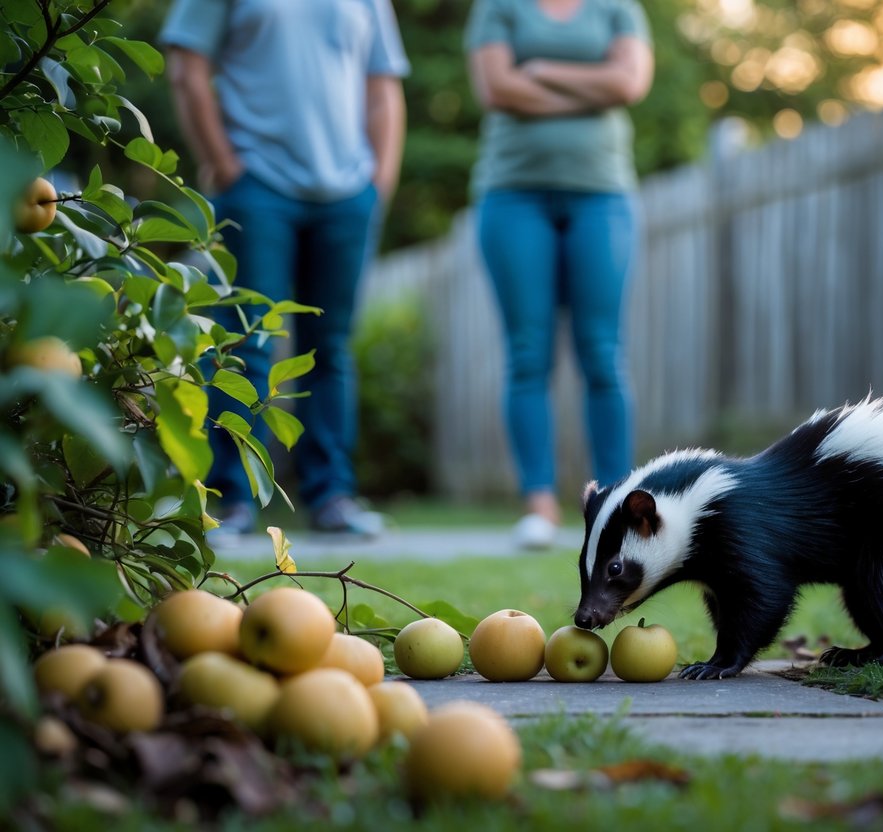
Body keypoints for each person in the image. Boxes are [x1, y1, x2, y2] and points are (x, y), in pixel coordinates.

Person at [160, 0, 408, 540]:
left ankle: (332, 496)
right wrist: (225, 165)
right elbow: (187, 66)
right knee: (244, 341)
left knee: (332, 349)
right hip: (256, 189)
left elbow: (383, 86)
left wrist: (375, 188)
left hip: (347, 196)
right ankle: (231, 500)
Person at [464, 0, 654, 549]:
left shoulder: (616, 8)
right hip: (512, 195)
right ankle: (539, 507)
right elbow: (496, 89)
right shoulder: (498, 8)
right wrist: (591, 87)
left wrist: (543, 72)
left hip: (602, 195)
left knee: (602, 352)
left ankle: (618, 505)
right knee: (528, 353)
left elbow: (628, 84)